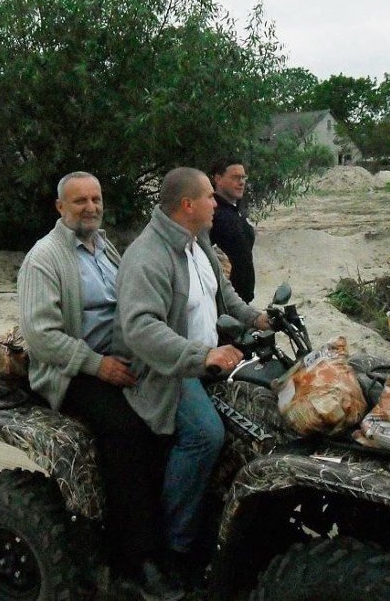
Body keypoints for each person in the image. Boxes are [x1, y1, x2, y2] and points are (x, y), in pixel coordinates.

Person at [17, 171, 184, 601]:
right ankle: (136, 559)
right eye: (79, 201)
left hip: (121, 359)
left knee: (177, 415)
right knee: (130, 431)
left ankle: (178, 533)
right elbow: (40, 335)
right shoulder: (45, 258)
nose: (90, 207)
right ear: (60, 208)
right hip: (72, 370)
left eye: (95, 199)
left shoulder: (103, 246)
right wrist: (97, 365)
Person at [113, 167, 270, 586]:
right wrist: (202, 355)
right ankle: (176, 546)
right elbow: (141, 329)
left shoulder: (196, 240)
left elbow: (224, 293)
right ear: (187, 205)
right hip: (164, 369)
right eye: (209, 197)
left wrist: (257, 317)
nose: (216, 203)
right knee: (206, 434)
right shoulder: (148, 256)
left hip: (204, 359)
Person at [209, 156, 256, 302]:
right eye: (235, 177)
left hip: (242, 302)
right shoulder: (210, 213)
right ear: (218, 179)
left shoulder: (236, 212)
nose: (241, 182)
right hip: (222, 301)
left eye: (243, 177)